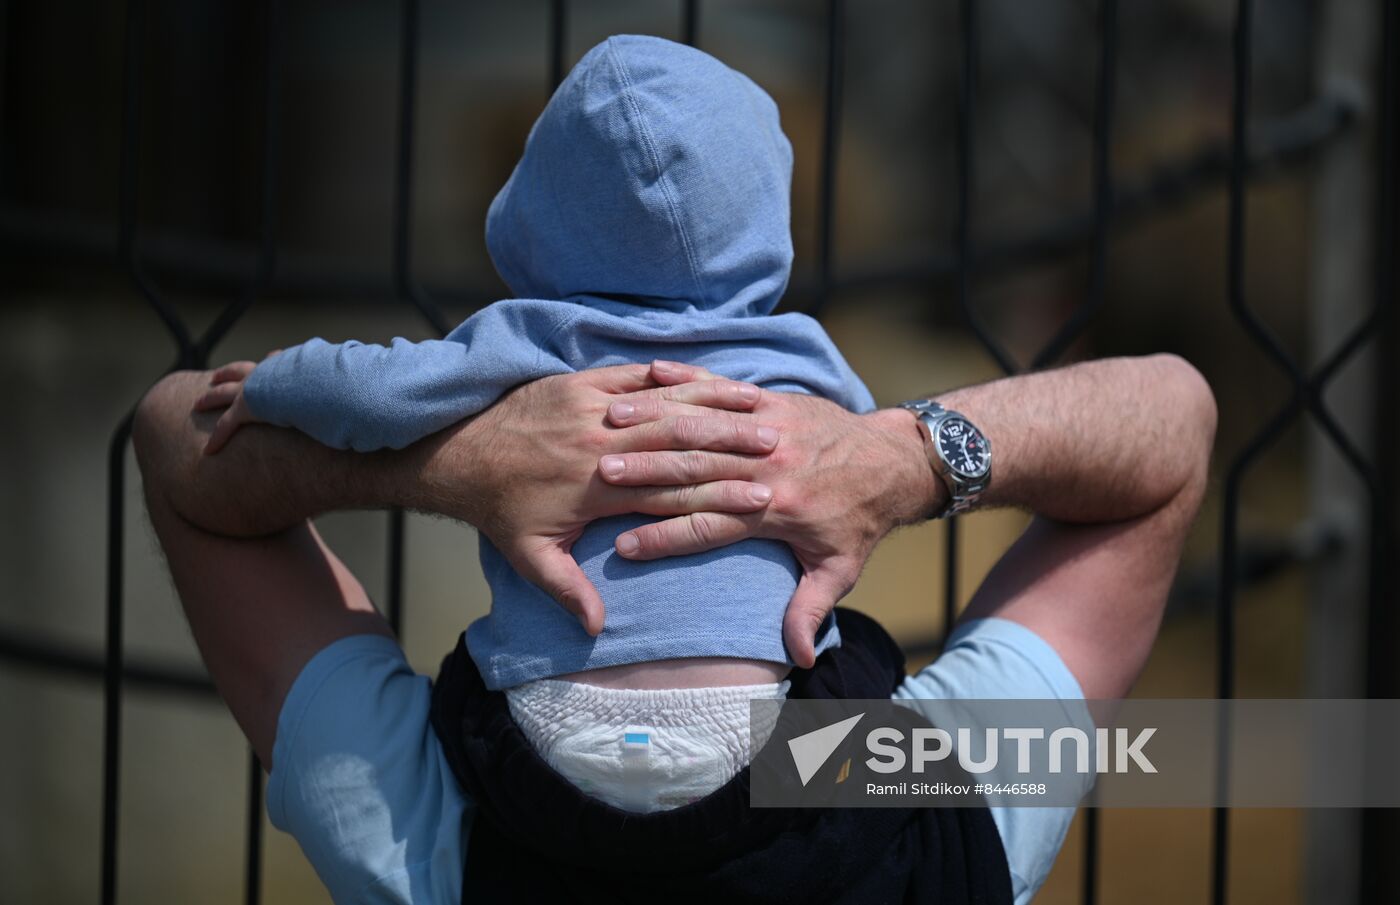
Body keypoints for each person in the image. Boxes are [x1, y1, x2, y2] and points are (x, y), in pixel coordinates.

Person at [132, 35, 1216, 905]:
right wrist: (904, 458)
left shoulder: (521, 349)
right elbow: (1172, 419)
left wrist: (440, 457)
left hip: (546, 771)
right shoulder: (800, 365)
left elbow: (187, 430)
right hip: (803, 763)